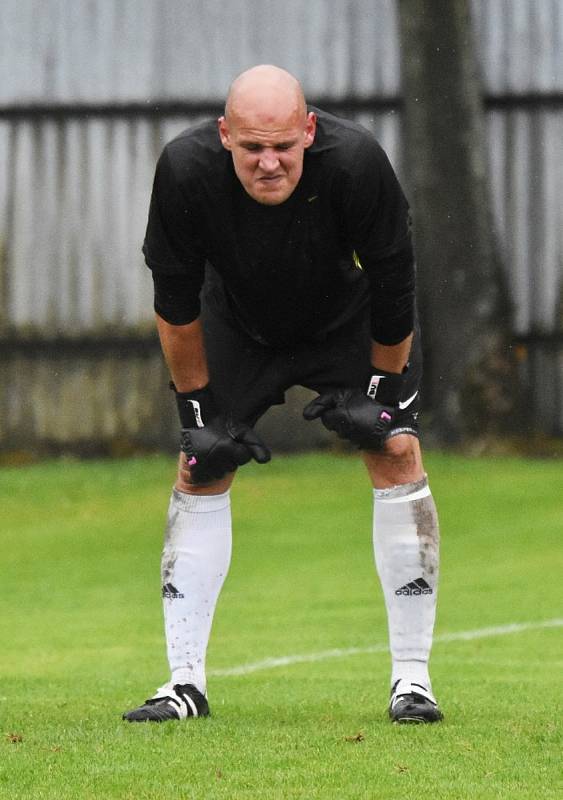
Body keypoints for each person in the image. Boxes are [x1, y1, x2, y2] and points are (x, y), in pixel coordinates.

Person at [122, 65, 443, 725]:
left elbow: (394, 282)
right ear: (223, 136)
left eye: (282, 147)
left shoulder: (355, 163)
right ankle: (183, 682)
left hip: (347, 322)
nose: (268, 162)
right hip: (238, 322)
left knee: (396, 451)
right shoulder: (184, 170)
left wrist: (382, 395)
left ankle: (412, 681)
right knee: (199, 464)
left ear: (308, 130)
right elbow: (174, 302)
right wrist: (196, 414)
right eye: (250, 148)